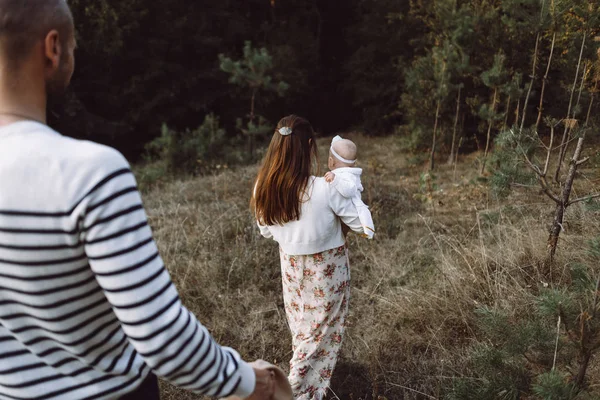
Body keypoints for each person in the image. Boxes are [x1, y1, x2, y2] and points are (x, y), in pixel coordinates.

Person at [0, 1, 275, 399]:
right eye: (74, 46)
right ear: (53, 47)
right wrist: (252, 381)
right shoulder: (90, 173)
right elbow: (163, 338)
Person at [252, 115, 364, 400]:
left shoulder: (263, 188)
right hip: (327, 273)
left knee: (304, 336)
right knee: (317, 340)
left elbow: (266, 231)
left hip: (291, 270)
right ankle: (292, 393)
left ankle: (299, 389)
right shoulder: (325, 188)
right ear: (310, 147)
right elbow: (362, 225)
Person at [324, 135, 375, 239]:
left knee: (354, 222)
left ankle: (365, 230)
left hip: (353, 215)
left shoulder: (346, 175)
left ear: (331, 161)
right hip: (344, 213)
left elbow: (349, 190)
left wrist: (336, 180)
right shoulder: (347, 173)